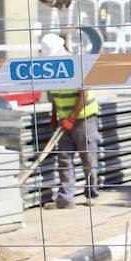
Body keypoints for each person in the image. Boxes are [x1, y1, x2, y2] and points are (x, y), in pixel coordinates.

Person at [41, 33, 100, 208]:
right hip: (65, 121)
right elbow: (55, 94)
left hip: (83, 119)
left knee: (88, 157)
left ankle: (92, 194)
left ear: (62, 50)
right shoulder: (52, 69)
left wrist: (72, 118)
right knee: (64, 159)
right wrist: (54, 115)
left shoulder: (76, 66)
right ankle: (66, 198)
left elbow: (83, 94)